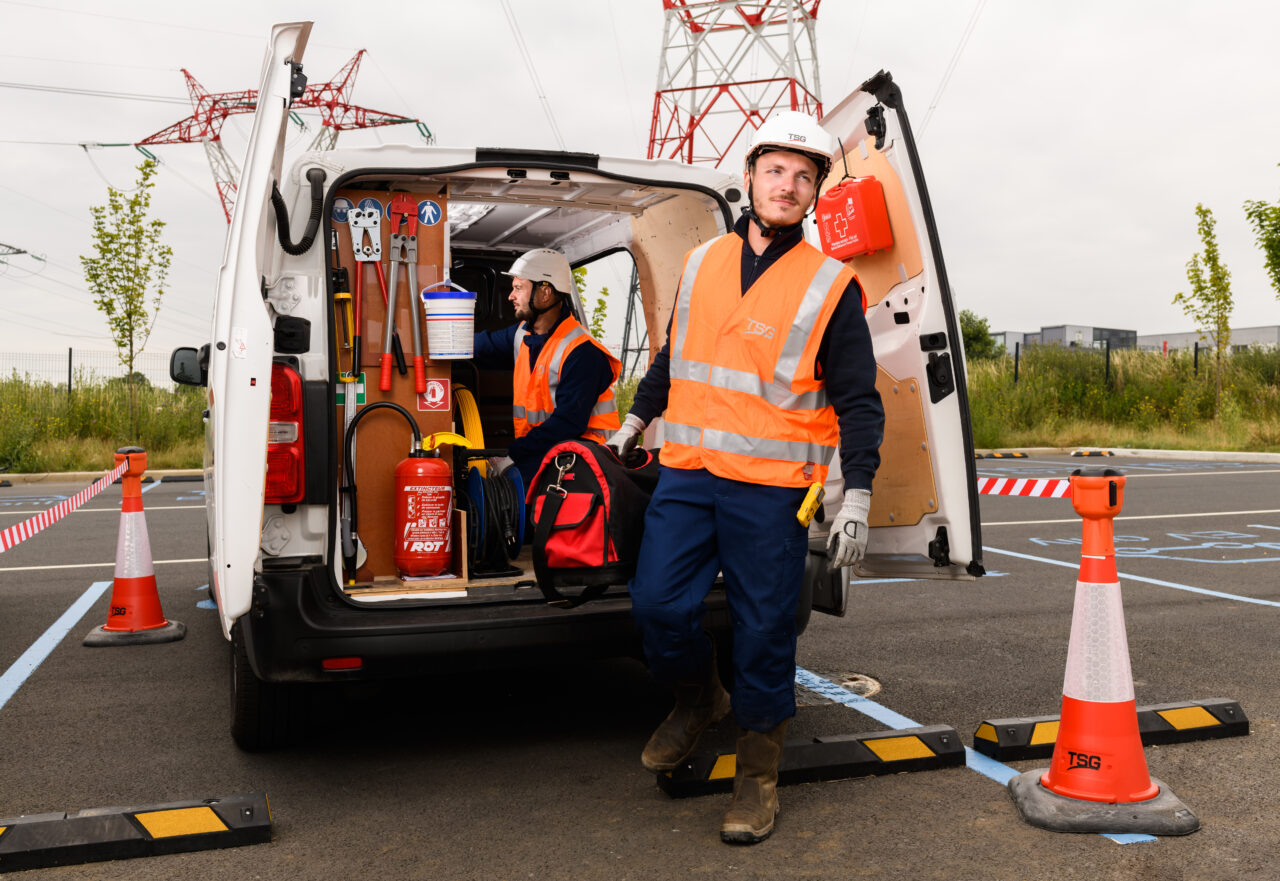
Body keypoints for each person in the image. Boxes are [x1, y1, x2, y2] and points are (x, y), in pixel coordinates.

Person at [607, 111, 885, 845]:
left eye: (803, 176)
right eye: (775, 171)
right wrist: (637, 417)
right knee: (657, 605)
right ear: (751, 176)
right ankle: (699, 696)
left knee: (764, 630)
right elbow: (674, 358)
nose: (787, 186)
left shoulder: (831, 284)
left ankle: (758, 777)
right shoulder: (702, 262)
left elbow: (859, 401)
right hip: (688, 474)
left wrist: (856, 493)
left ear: (815, 192)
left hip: (773, 489)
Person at [473, 248, 621, 489]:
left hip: (587, 466)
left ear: (545, 293)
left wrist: (514, 456)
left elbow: (567, 424)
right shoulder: (523, 334)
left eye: (518, 288)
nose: (510, 296)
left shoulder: (583, 353)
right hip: (549, 453)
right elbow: (481, 345)